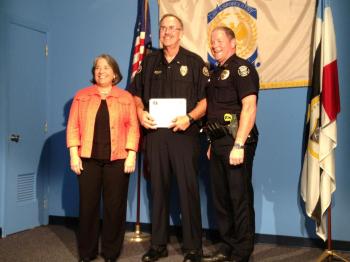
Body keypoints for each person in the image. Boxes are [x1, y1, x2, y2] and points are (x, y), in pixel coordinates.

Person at [128, 14, 208, 262]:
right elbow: (136, 94)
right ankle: (158, 244)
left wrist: (190, 118)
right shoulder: (149, 62)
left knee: (188, 190)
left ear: (181, 32)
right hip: (155, 136)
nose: (166, 32)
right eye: (163, 28)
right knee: (158, 191)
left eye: (172, 28)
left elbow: (206, 101)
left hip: (185, 136)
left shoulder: (195, 62)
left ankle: (193, 247)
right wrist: (140, 112)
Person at [66, 54, 140, 262]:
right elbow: (73, 126)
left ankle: (111, 253)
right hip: (88, 160)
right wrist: (74, 154)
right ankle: (87, 254)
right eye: (98, 68)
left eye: (106, 68)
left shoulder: (125, 97)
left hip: (117, 160)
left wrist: (131, 155)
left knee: (114, 209)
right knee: (87, 208)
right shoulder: (81, 96)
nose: (101, 71)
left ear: (114, 73)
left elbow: (133, 127)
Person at [202, 27, 259, 262]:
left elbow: (249, 107)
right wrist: (211, 143)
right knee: (221, 198)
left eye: (220, 40)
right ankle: (226, 245)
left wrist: (239, 145)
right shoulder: (215, 74)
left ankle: (242, 250)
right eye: (212, 41)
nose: (215, 45)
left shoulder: (242, 68)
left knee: (239, 196)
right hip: (217, 143)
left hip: (237, 141)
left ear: (233, 43)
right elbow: (215, 112)